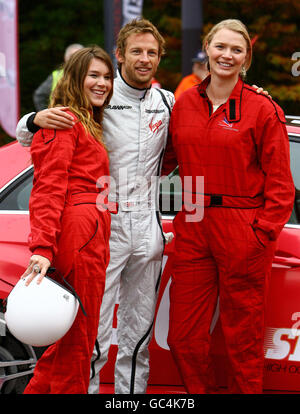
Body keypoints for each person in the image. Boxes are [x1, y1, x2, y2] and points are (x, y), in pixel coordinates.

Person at [15, 18, 175, 394]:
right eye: (136, 51)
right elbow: (38, 152)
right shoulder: (89, 103)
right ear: (121, 54)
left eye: (151, 52)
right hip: (96, 227)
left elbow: (191, 146)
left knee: (138, 332)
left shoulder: (166, 101)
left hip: (145, 228)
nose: (144, 58)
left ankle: (129, 399)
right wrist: (32, 118)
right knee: (90, 333)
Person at [162, 19, 295, 394]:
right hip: (193, 223)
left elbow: (282, 184)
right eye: (220, 46)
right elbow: (159, 161)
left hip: (243, 227)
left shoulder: (262, 108)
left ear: (246, 58)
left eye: (237, 50)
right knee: (182, 336)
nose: (227, 55)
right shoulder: (183, 103)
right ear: (207, 47)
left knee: (243, 340)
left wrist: (261, 233)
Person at [20, 46, 114, 394]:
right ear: (75, 77)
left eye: (106, 76)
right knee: (77, 341)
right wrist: (43, 247)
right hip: (79, 231)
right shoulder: (64, 121)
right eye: (94, 75)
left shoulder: (87, 120)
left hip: (92, 228)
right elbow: (47, 188)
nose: (103, 83)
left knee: (73, 339)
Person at [33, 43, 84, 111]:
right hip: (60, 118)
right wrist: (46, 114)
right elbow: (39, 95)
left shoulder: (90, 75)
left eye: (79, 57)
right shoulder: (56, 76)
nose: (75, 60)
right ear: (66, 59)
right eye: (72, 56)